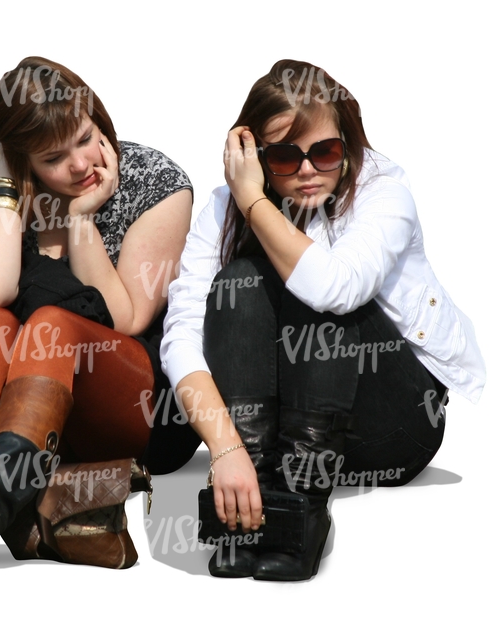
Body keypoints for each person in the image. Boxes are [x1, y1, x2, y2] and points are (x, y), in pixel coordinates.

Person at [160, 59, 485, 581]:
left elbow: (334, 287)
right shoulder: (221, 211)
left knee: (319, 281)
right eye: (286, 156)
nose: (308, 170)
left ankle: (304, 503)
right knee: (239, 278)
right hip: (280, 427)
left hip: (392, 425)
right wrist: (225, 449)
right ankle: (257, 494)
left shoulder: (383, 192)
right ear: (255, 155)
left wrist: (251, 200)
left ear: (347, 143)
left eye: (325, 151)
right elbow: (181, 338)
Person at [0, 56, 198, 570]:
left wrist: (82, 221)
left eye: (87, 137)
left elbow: (127, 318)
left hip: (143, 410)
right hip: (32, 419)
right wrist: (7, 180)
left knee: (50, 325)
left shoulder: (155, 182)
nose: (80, 164)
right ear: (18, 157)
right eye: (52, 156)